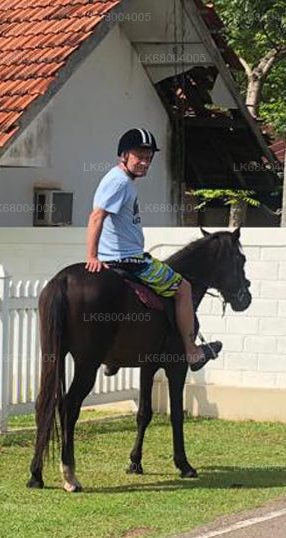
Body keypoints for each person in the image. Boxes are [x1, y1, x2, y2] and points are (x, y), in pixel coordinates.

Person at [86, 128, 221, 371]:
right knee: (183, 288)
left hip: (125, 256)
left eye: (149, 157)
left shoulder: (121, 180)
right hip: (129, 260)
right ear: (124, 155)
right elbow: (97, 217)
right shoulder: (119, 182)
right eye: (139, 156)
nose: (145, 162)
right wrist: (92, 256)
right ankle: (192, 352)